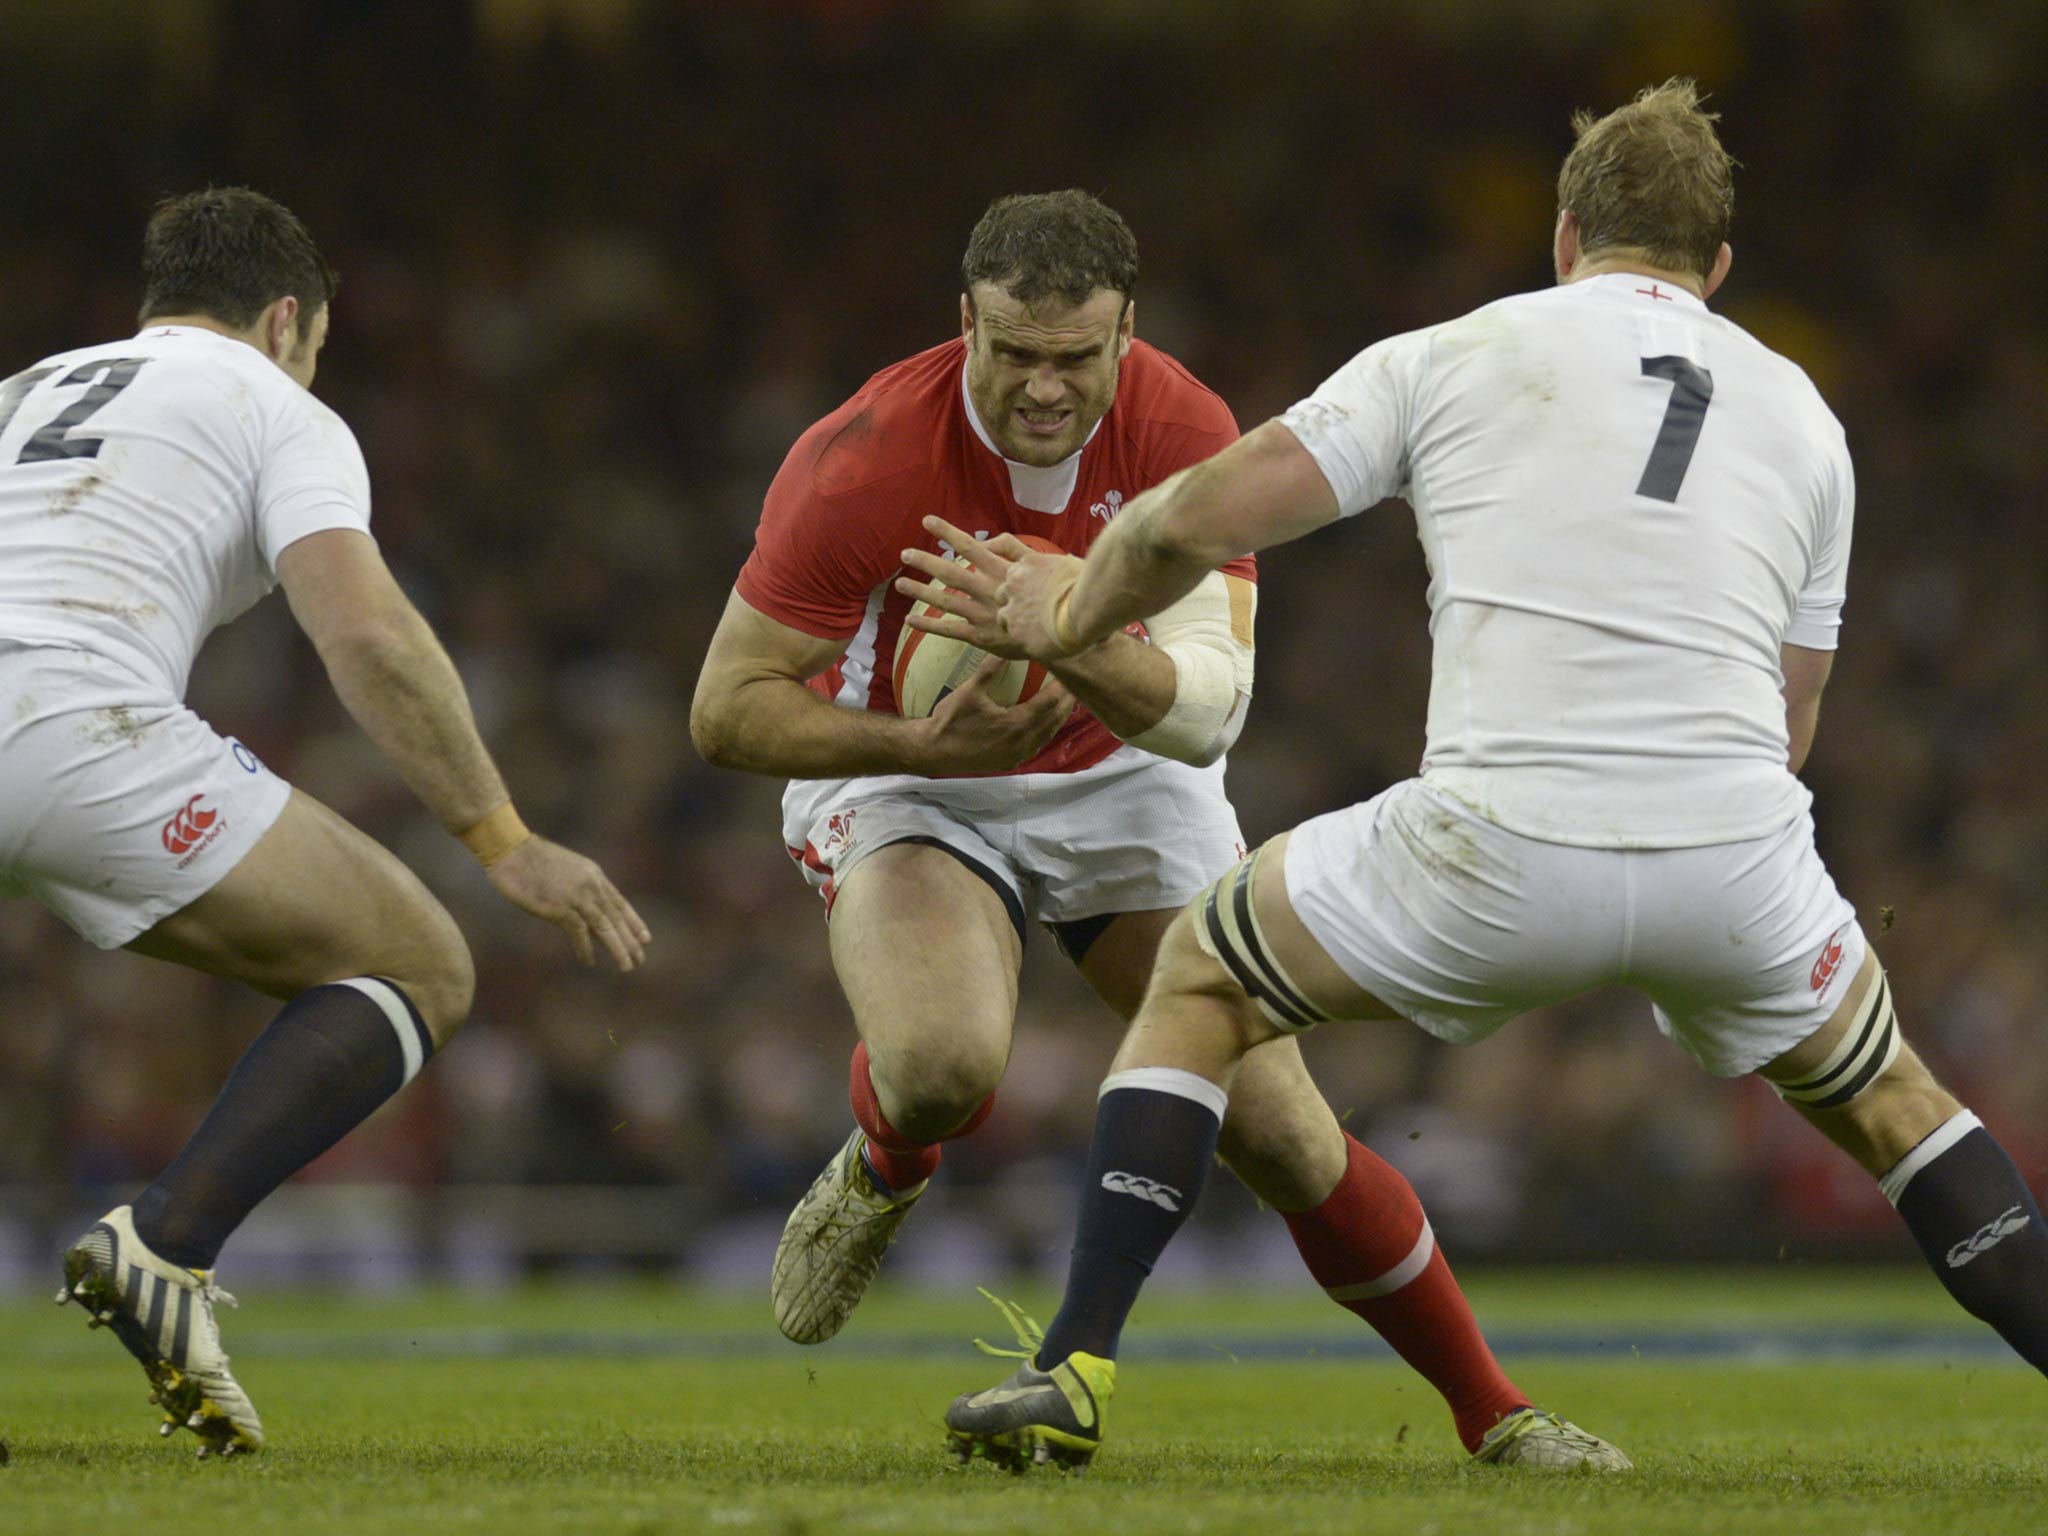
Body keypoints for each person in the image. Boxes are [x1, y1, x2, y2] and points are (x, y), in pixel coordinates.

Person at [942, 80, 2048, 1471]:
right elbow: (1792, 723)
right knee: (1899, 1107)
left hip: (1496, 841)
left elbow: (1195, 513)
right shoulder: (1807, 420)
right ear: (1717, 268)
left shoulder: (1455, 354)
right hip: (1738, 862)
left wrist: (1067, 613)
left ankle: (1074, 1372)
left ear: (1565, 234)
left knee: (1201, 983)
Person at [692, 189, 1621, 1471]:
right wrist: (918, 746)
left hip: (1124, 770)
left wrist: (1061, 630)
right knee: (945, 1066)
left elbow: (1204, 716)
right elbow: (725, 714)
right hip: (912, 775)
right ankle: (889, 1160)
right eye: (1012, 352)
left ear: (1124, 334)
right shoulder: (861, 455)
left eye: (1073, 358)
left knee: (1286, 1133)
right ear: (963, 321)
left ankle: (1495, 1414)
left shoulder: (1185, 430)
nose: (1041, 389)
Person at [0, 188, 651, 1457]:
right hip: (67, 720)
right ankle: (164, 1244)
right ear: (289, 319)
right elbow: (365, 632)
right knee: (415, 963)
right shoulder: (274, 402)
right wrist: (499, 838)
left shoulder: (26, 386)